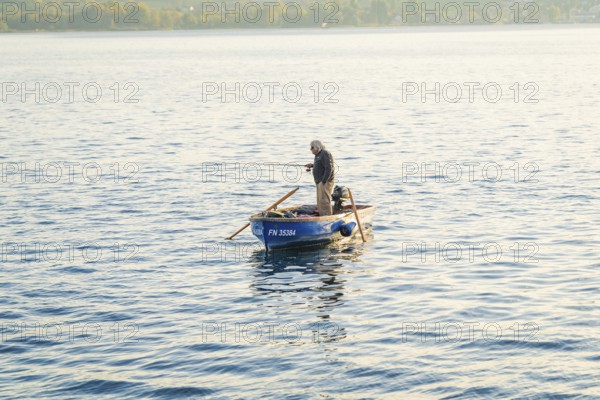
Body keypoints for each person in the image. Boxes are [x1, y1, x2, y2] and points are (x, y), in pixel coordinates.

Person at [305, 140, 335, 216]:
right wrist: (312, 165)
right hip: (319, 182)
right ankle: (322, 216)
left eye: (312, 147)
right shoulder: (318, 155)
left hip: (324, 182)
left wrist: (323, 181)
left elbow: (328, 168)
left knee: (324, 201)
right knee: (320, 201)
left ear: (317, 146)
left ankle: (327, 217)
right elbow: (320, 165)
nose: (310, 149)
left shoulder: (324, 153)